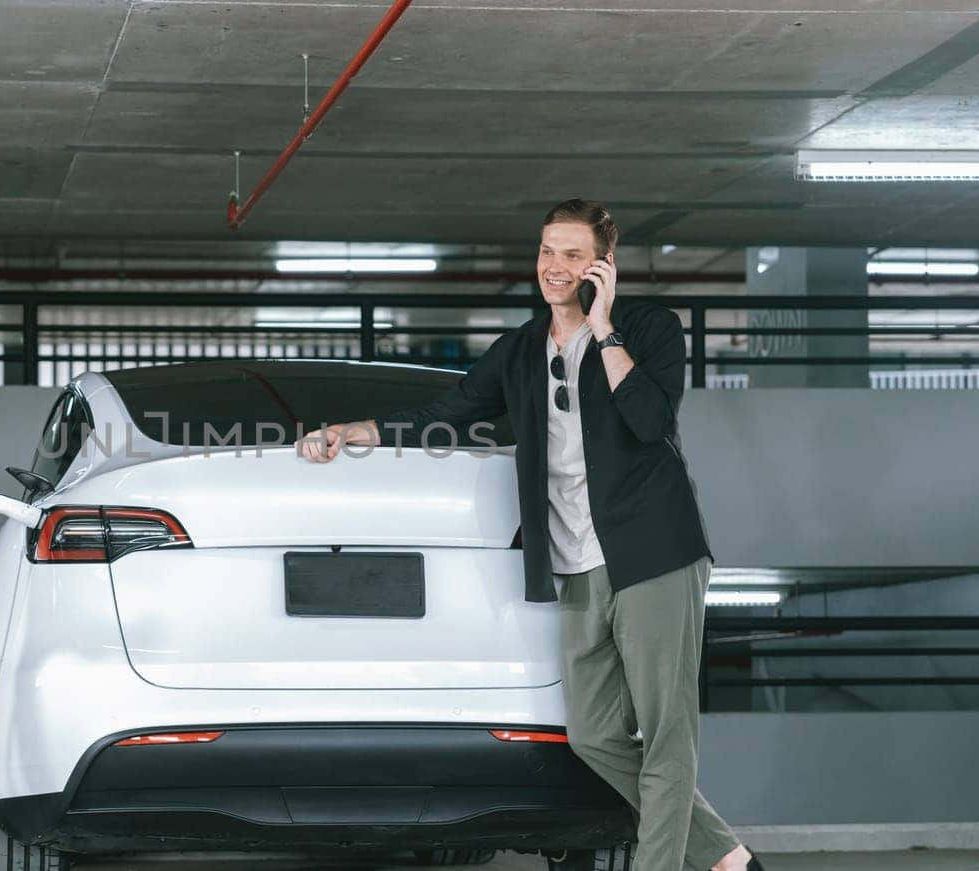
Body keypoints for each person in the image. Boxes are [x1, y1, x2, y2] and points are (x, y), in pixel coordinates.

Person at [296, 199, 763, 871]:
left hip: (653, 553)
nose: (555, 267)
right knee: (593, 732)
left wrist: (604, 331)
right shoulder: (519, 351)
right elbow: (448, 411)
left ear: (605, 263)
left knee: (666, 734)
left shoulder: (648, 328)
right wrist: (353, 431)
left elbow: (651, 418)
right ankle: (724, 855)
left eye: (573, 255)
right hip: (574, 561)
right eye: (548, 251)